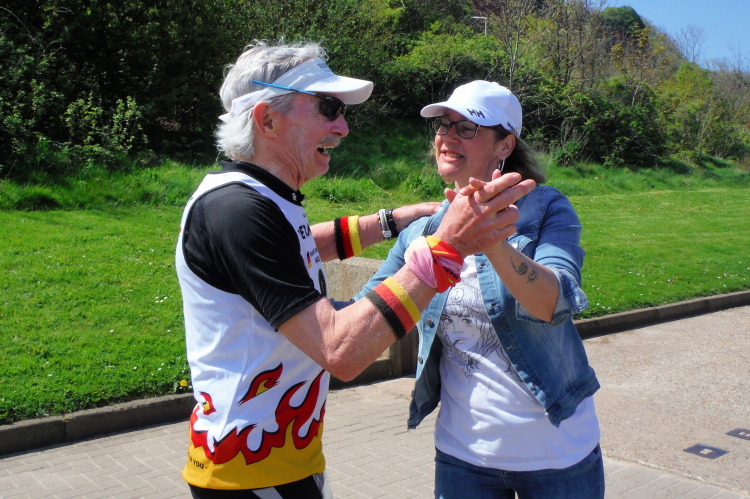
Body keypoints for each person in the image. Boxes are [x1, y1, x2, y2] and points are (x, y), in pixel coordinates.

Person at [175, 44, 536, 498]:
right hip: (249, 474)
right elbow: (340, 351)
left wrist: (390, 221)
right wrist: (449, 247)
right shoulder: (238, 211)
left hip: (276, 462)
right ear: (267, 120)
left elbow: (294, 246)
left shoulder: (258, 197)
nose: (343, 127)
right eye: (328, 108)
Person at [355, 80, 604, 498]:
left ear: (504, 145)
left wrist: (489, 239)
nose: (448, 136)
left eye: (467, 127)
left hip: (557, 455)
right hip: (463, 457)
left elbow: (555, 302)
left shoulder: (547, 207)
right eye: (444, 124)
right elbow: (365, 310)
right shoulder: (424, 231)